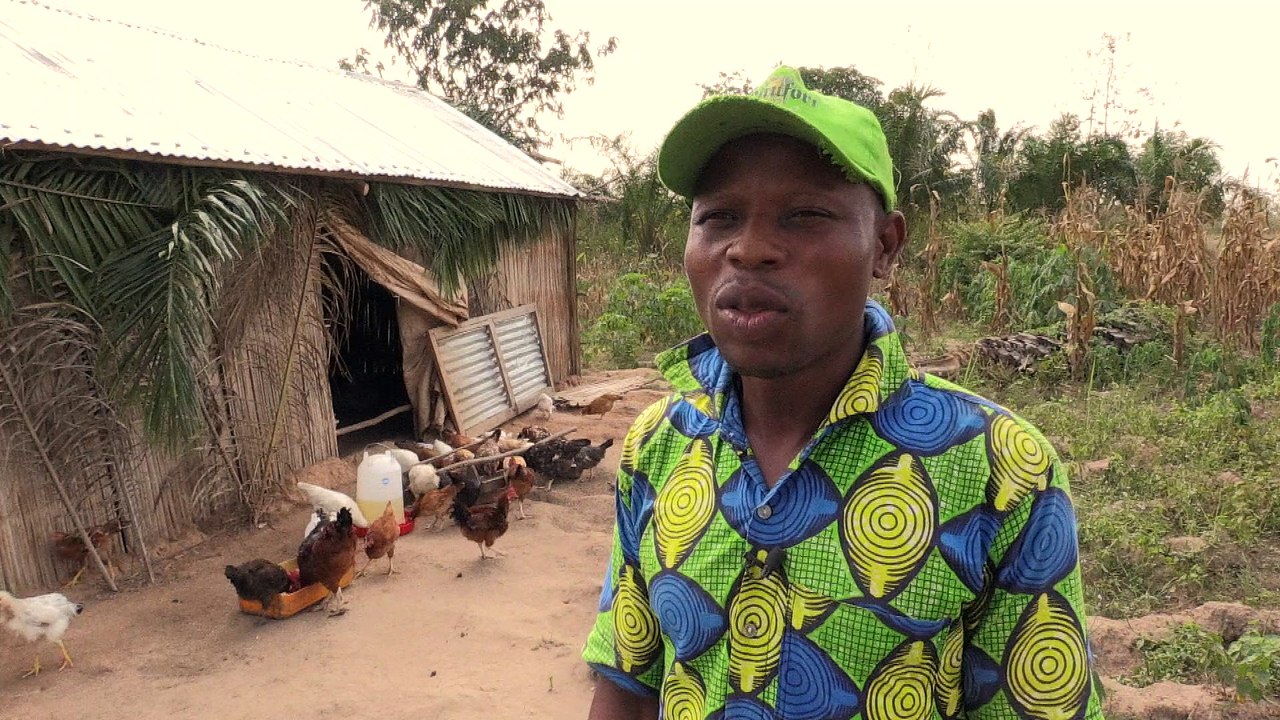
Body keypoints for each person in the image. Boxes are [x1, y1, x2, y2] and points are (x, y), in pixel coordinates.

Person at [582, 66, 1103, 720]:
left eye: (803, 216)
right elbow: (628, 682)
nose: (749, 249)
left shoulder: (1000, 469)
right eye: (719, 217)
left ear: (884, 247)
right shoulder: (658, 446)